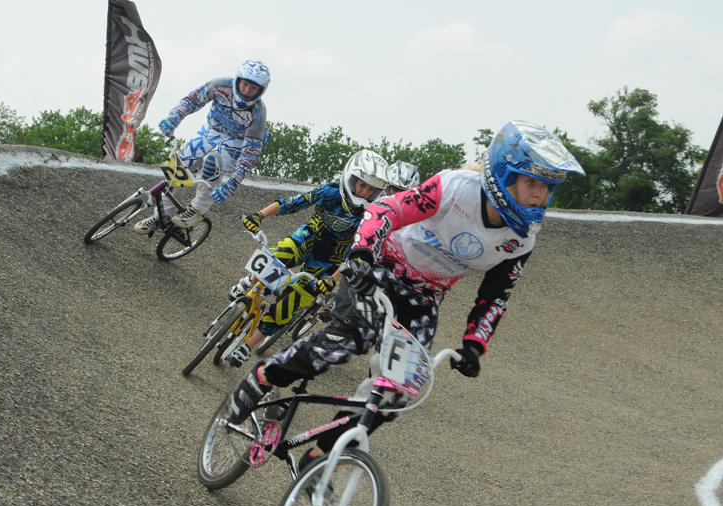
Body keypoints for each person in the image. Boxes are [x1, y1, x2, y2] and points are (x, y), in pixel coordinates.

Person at [222, 120, 585, 470]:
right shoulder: (455, 187)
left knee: (397, 392)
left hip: (424, 298)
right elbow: (387, 209)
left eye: (547, 187)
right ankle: (263, 377)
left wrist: (474, 345)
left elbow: (496, 296)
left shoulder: (521, 240)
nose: (540, 194)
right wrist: (362, 253)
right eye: (532, 182)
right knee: (348, 341)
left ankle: (320, 457)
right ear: (503, 176)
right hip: (380, 267)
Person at [224, 149, 390, 368]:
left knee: (290, 303)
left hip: (329, 261)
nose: (364, 192)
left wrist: (332, 279)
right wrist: (259, 215)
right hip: (307, 239)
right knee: (280, 254)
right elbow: (292, 203)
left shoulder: (370, 217)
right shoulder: (330, 192)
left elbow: (355, 255)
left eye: (371, 189)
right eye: (362, 185)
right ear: (350, 179)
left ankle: (248, 346)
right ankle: (251, 280)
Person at [134, 59, 270, 234]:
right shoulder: (220, 85)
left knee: (213, 163)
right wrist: (174, 117)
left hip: (239, 141)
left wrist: (232, 184)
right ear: (237, 80)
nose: (246, 91)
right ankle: (163, 215)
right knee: (178, 167)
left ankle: (197, 210)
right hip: (213, 130)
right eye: (244, 84)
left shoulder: (258, 113)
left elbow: (250, 154)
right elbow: (192, 100)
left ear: (261, 90)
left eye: (253, 88)